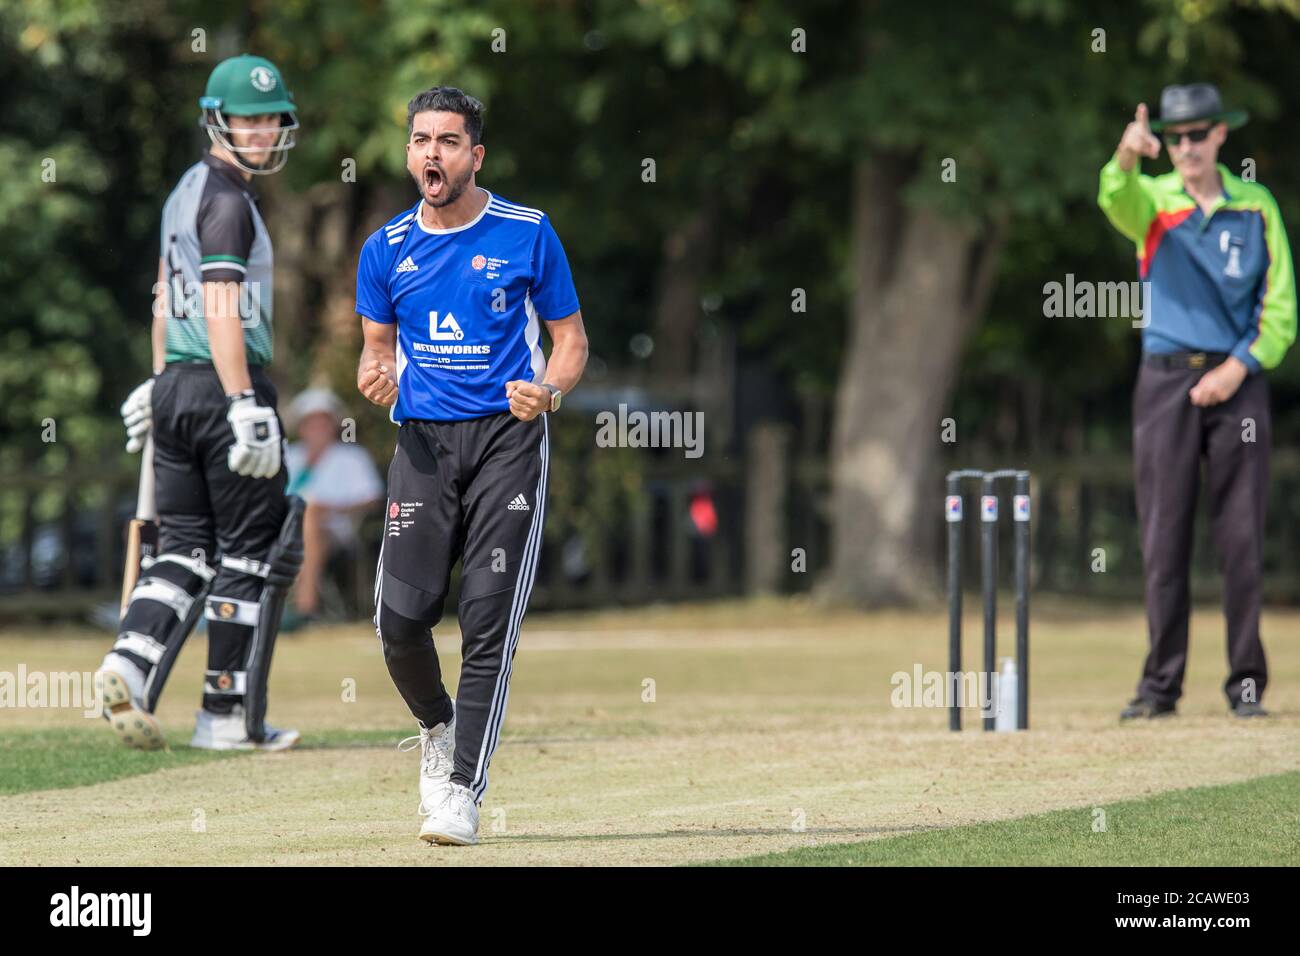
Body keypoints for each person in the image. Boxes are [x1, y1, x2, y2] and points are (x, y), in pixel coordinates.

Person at [355, 86, 588, 844]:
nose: (432, 152)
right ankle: (437, 726)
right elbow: (375, 353)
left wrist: (547, 390)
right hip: (423, 443)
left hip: (507, 443)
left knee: (487, 619)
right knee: (398, 621)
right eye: (421, 139)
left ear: (474, 155)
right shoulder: (386, 248)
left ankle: (460, 791)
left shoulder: (527, 233)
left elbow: (571, 340)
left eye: (448, 141)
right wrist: (376, 375)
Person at [95, 54, 304, 751]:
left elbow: (163, 296)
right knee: (252, 549)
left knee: (182, 549)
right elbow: (219, 303)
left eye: (270, 119)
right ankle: (225, 716)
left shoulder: (182, 192)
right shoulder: (230, 202)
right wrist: (243, 400)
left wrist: (157, 384)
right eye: (248, 118)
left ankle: (128, 659)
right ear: (217, 120)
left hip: (178, 389)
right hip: (223, 387)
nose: (261, 131)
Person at [1097, 83, 1296, 721]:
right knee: (1164, 536)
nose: (1186, 147)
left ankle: (1245, 685)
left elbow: (1281, 310)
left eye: (1197, 135)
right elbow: (1114, 196)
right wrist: (1127, 155)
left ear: (1219, 135)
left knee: (1240, 539)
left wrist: (1237, 369)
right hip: (1163, 384)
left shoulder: (1257, 206)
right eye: (1175, 137)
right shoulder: (1153, 201)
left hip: (1238, 383)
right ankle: (1160, 687)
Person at [282, 388, 384, 625]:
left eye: (323, 423)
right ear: (301, 427)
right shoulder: (290, 455)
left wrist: (333, 509)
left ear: (334, 425)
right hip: (283, 528)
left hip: (337, 529)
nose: (317, 429)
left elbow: (373, 499)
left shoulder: (351, 456)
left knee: (311, 513)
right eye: (311, 423)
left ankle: (304, 607)